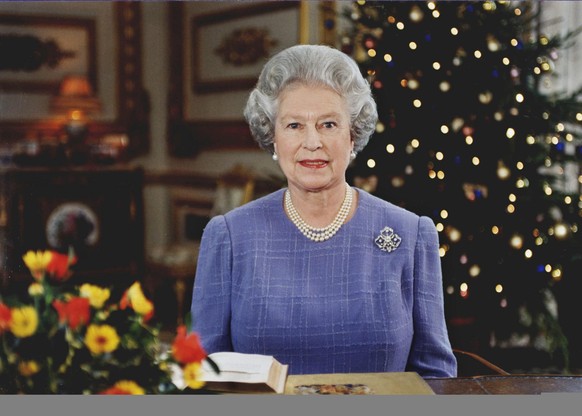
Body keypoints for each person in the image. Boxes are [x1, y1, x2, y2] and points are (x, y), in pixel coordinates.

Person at [190, 44, 457, 378]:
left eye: (329, 124)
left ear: (353, 135)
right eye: (294, 126)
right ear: (273, 137)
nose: (312, 142)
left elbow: (435, 373)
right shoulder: (230, 236)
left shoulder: (410, 234)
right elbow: (204, 371)